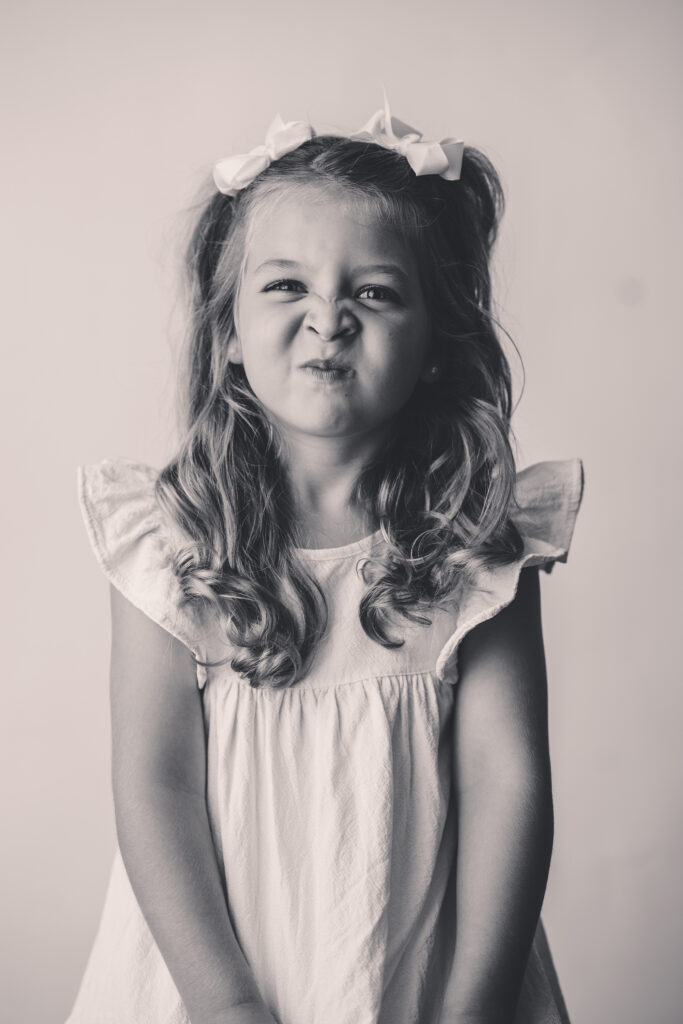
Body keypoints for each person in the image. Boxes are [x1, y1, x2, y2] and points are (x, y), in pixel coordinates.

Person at [67, 101, 584, 1024]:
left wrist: (471, 1007)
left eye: (375, 292)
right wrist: (223, 1002)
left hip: (421, 971)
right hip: (211, 971)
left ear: (434, 340)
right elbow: (155, 783)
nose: (329, 321)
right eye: (285, 288)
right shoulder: (170, 540)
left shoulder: (476, 546)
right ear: (226, 330)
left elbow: (509, 783)